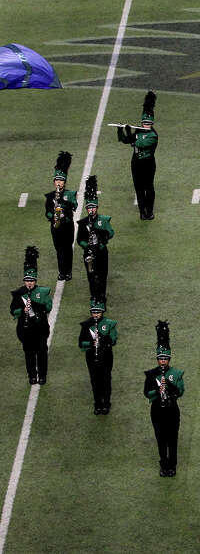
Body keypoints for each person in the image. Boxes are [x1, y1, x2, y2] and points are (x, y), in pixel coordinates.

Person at [143, 320, 184, 477]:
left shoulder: (176, 373)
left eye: (165, 359)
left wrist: (169, 386)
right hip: (157, 410)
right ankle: (163, 465)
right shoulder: (151, 374)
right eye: (160, 359)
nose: (162, 361)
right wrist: (157, 390)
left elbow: (180, 391)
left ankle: (172, 465)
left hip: (172, 410)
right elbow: (147, 393)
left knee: (172, 439)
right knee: (160, 439)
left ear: (169, 359)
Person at [11, 247, 51, 385]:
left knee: (41, 353)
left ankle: (42, 375)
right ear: (24, 280)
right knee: (29, 354)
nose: (29, 283)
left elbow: (49, 306)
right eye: (27, 280)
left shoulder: (43, 292)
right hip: (25, 328)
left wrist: (36, 306)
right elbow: (13, 310)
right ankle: (32, 375)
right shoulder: (18, 293)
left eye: (32, 280)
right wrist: (22, 311)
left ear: (35, 280)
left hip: (40, 328)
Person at [117, 91, 158, 220]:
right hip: (136, 164)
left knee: (149, 188)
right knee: (139, 188)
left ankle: (150, 211)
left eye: (148, 123)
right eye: (144, 123)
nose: (145, 125)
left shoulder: (153, 136)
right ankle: (142, 211)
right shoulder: (139, 131)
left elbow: (139, 143)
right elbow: (126, 140)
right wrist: (120, 130)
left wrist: (130, 133)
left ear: (152, 123)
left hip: (148, 164)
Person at [75, 175, 113, 303]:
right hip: (89, 253)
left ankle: (101, 296)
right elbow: (79, 239)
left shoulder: (103, 220)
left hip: (101, 252)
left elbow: (111, 232)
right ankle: (94, 296)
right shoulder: (83, 223)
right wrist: (87, 246)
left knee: (102, 276)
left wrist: (102, 241)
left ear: (97, 208)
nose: (91, 210)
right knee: (91, 276)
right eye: (89, 208)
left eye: (93, 207)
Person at [78, 291, 116, 414]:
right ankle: (98, 404)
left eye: (98, 312)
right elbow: (81, 343)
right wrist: (90, 343)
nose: (96, 315)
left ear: (102, 312)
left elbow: (113, 339)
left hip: (105, 356)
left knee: (105, 380)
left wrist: (102, 340)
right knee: (95, 381)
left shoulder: (109, 324)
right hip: (91, 357)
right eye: (94, 312)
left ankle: (106, 403)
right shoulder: (86, 325)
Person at [44, 150, 76, 281]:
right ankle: (61, 271)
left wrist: (62, 205)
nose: (59, 182)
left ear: (65, 182)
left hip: (67, 225)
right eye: (57, 180)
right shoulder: (50, 196)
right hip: (55, 226)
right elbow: (47, 211)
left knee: (67, 248)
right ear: (54, 182)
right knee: (59, 250)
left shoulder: (70, 194)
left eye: (61, 180)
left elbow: (74, 205)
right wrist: (53, 215)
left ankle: (68, 271)